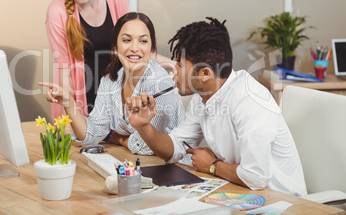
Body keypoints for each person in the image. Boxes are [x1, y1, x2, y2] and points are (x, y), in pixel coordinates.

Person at [125, 17, 307, 196]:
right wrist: (143, 126)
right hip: (240, 194)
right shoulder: (203, 96)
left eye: (180, 65)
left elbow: (256, 177)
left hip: (283, 202)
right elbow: (174, 149)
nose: (174, 70)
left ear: (205, 73)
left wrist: (212, 166)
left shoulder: (250, 100)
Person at [46, 0, 174, 119]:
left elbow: (133, 50)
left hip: (119, 100)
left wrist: (174, 65)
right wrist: (69, 120)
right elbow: (64, 70)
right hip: (85, 105)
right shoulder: (57, 12)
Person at [40, 12, 184, 155]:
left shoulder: (160, 83)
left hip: (177, 169)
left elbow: (146, 147)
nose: (135, 48)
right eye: (127, 40)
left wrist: (119, 139)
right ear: (115, 47)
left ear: (151, 49)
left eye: (143, 41)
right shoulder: (110, 80)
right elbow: (92, 134)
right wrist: (68, 103)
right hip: (139, 164)